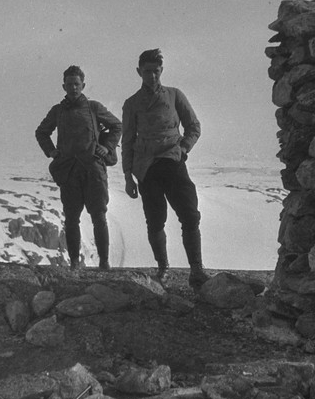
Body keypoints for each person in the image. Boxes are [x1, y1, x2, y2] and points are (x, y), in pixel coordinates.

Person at [121, 49, 208, 287]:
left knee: (190, 214)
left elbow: (194, 126)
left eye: (156, 72)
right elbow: (127, 140)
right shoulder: (131, 104)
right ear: (139, 72)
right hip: (147, 169)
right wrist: (128, 176)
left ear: (162, 71)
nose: (152, 76)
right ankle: (162, 269)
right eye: (147, 72)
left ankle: (197, 270)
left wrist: (184, 148)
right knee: (155, 220)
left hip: (173, 162)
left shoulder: (174, 95)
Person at [36, 65, 122, 270]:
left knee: (99, 215)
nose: (73, 88)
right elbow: (42, 132)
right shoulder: (57, 111)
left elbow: (117, 125)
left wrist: (106, 147)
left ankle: (104, 262)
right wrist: (52, 152)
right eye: (69, 84)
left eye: (77, 84)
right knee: (71, 218)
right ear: (63, 86)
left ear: (83, 85)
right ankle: (74, 262)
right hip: (69, 172)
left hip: (93, 170)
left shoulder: (94, 108)